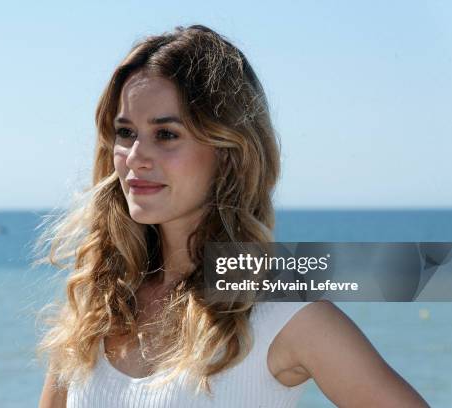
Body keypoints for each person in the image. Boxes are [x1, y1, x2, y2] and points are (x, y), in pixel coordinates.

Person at [36, 25, 428, 408]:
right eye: (126, 133)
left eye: (166, 134)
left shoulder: (283, 311)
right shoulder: (97, 302)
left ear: (228, 152)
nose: (136, 156)